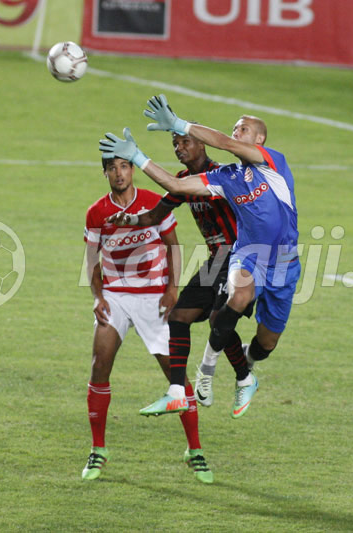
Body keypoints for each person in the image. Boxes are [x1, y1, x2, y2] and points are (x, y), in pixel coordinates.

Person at [98, 94, 300, 420]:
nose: (179, 148)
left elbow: (224, 143)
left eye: (243, 128)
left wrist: (180, 123)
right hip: (236, 258)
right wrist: (136, 158)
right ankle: (184, 388)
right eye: (175, 144)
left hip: (281, 264)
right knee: (186, 316)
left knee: (264, 345)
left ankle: (246, 369)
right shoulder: (220, 180)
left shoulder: (271, 162)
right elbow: (165, 199)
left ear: (259, 139)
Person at [81, 154, 213, 483]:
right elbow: (92, 261)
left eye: (124, 166)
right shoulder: (97, 212)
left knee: (176, 375)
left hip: (155, 298)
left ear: (132, 170)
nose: (119, 173)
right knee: (100, 364)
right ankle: (98, 450)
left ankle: (195, 451)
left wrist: (172, 289)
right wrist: (98, 297)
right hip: (116, 297)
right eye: (112, 168)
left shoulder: (154, 203)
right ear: (105, 173)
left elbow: (173, 246)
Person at [105, 131, 254, 411]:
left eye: (185, 141)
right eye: (175, 143)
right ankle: (176, 392)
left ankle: (244, 377)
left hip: (239, 257)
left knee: (216, 318)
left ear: (202, 144)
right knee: (179, 316)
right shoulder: (183, 180)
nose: (179, 147)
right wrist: (130, 218)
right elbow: (155, 215)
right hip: (216, 259)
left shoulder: (222, 175)